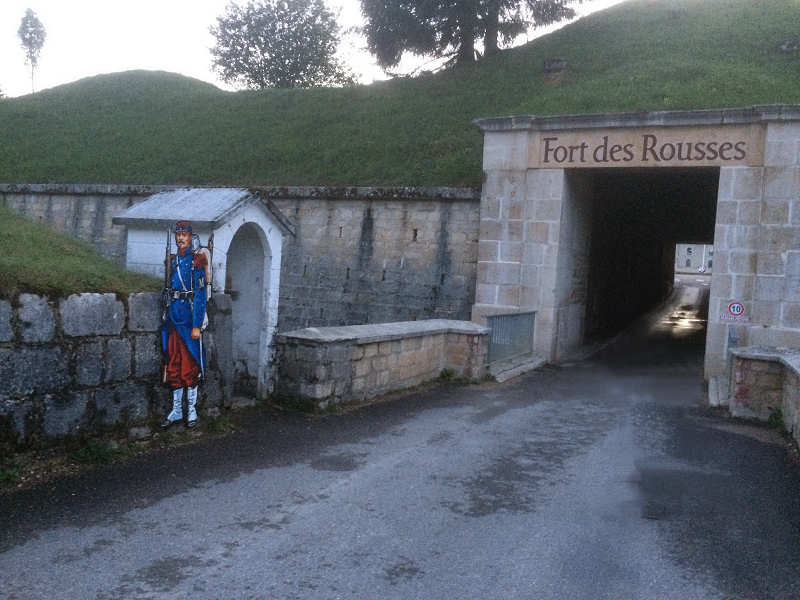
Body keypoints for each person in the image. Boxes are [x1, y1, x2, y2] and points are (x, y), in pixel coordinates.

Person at [160, 221, 208, 428]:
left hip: (188, 320)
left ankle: (192, 410)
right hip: (173, 319)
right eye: (178, 235)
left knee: (190, 366)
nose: (180, 238)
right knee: (174, 364)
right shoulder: (173, 260)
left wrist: (197, 324)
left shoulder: (197, 261)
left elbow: (200, 295)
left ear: (190, 237)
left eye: (184, 235)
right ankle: (177, 410)